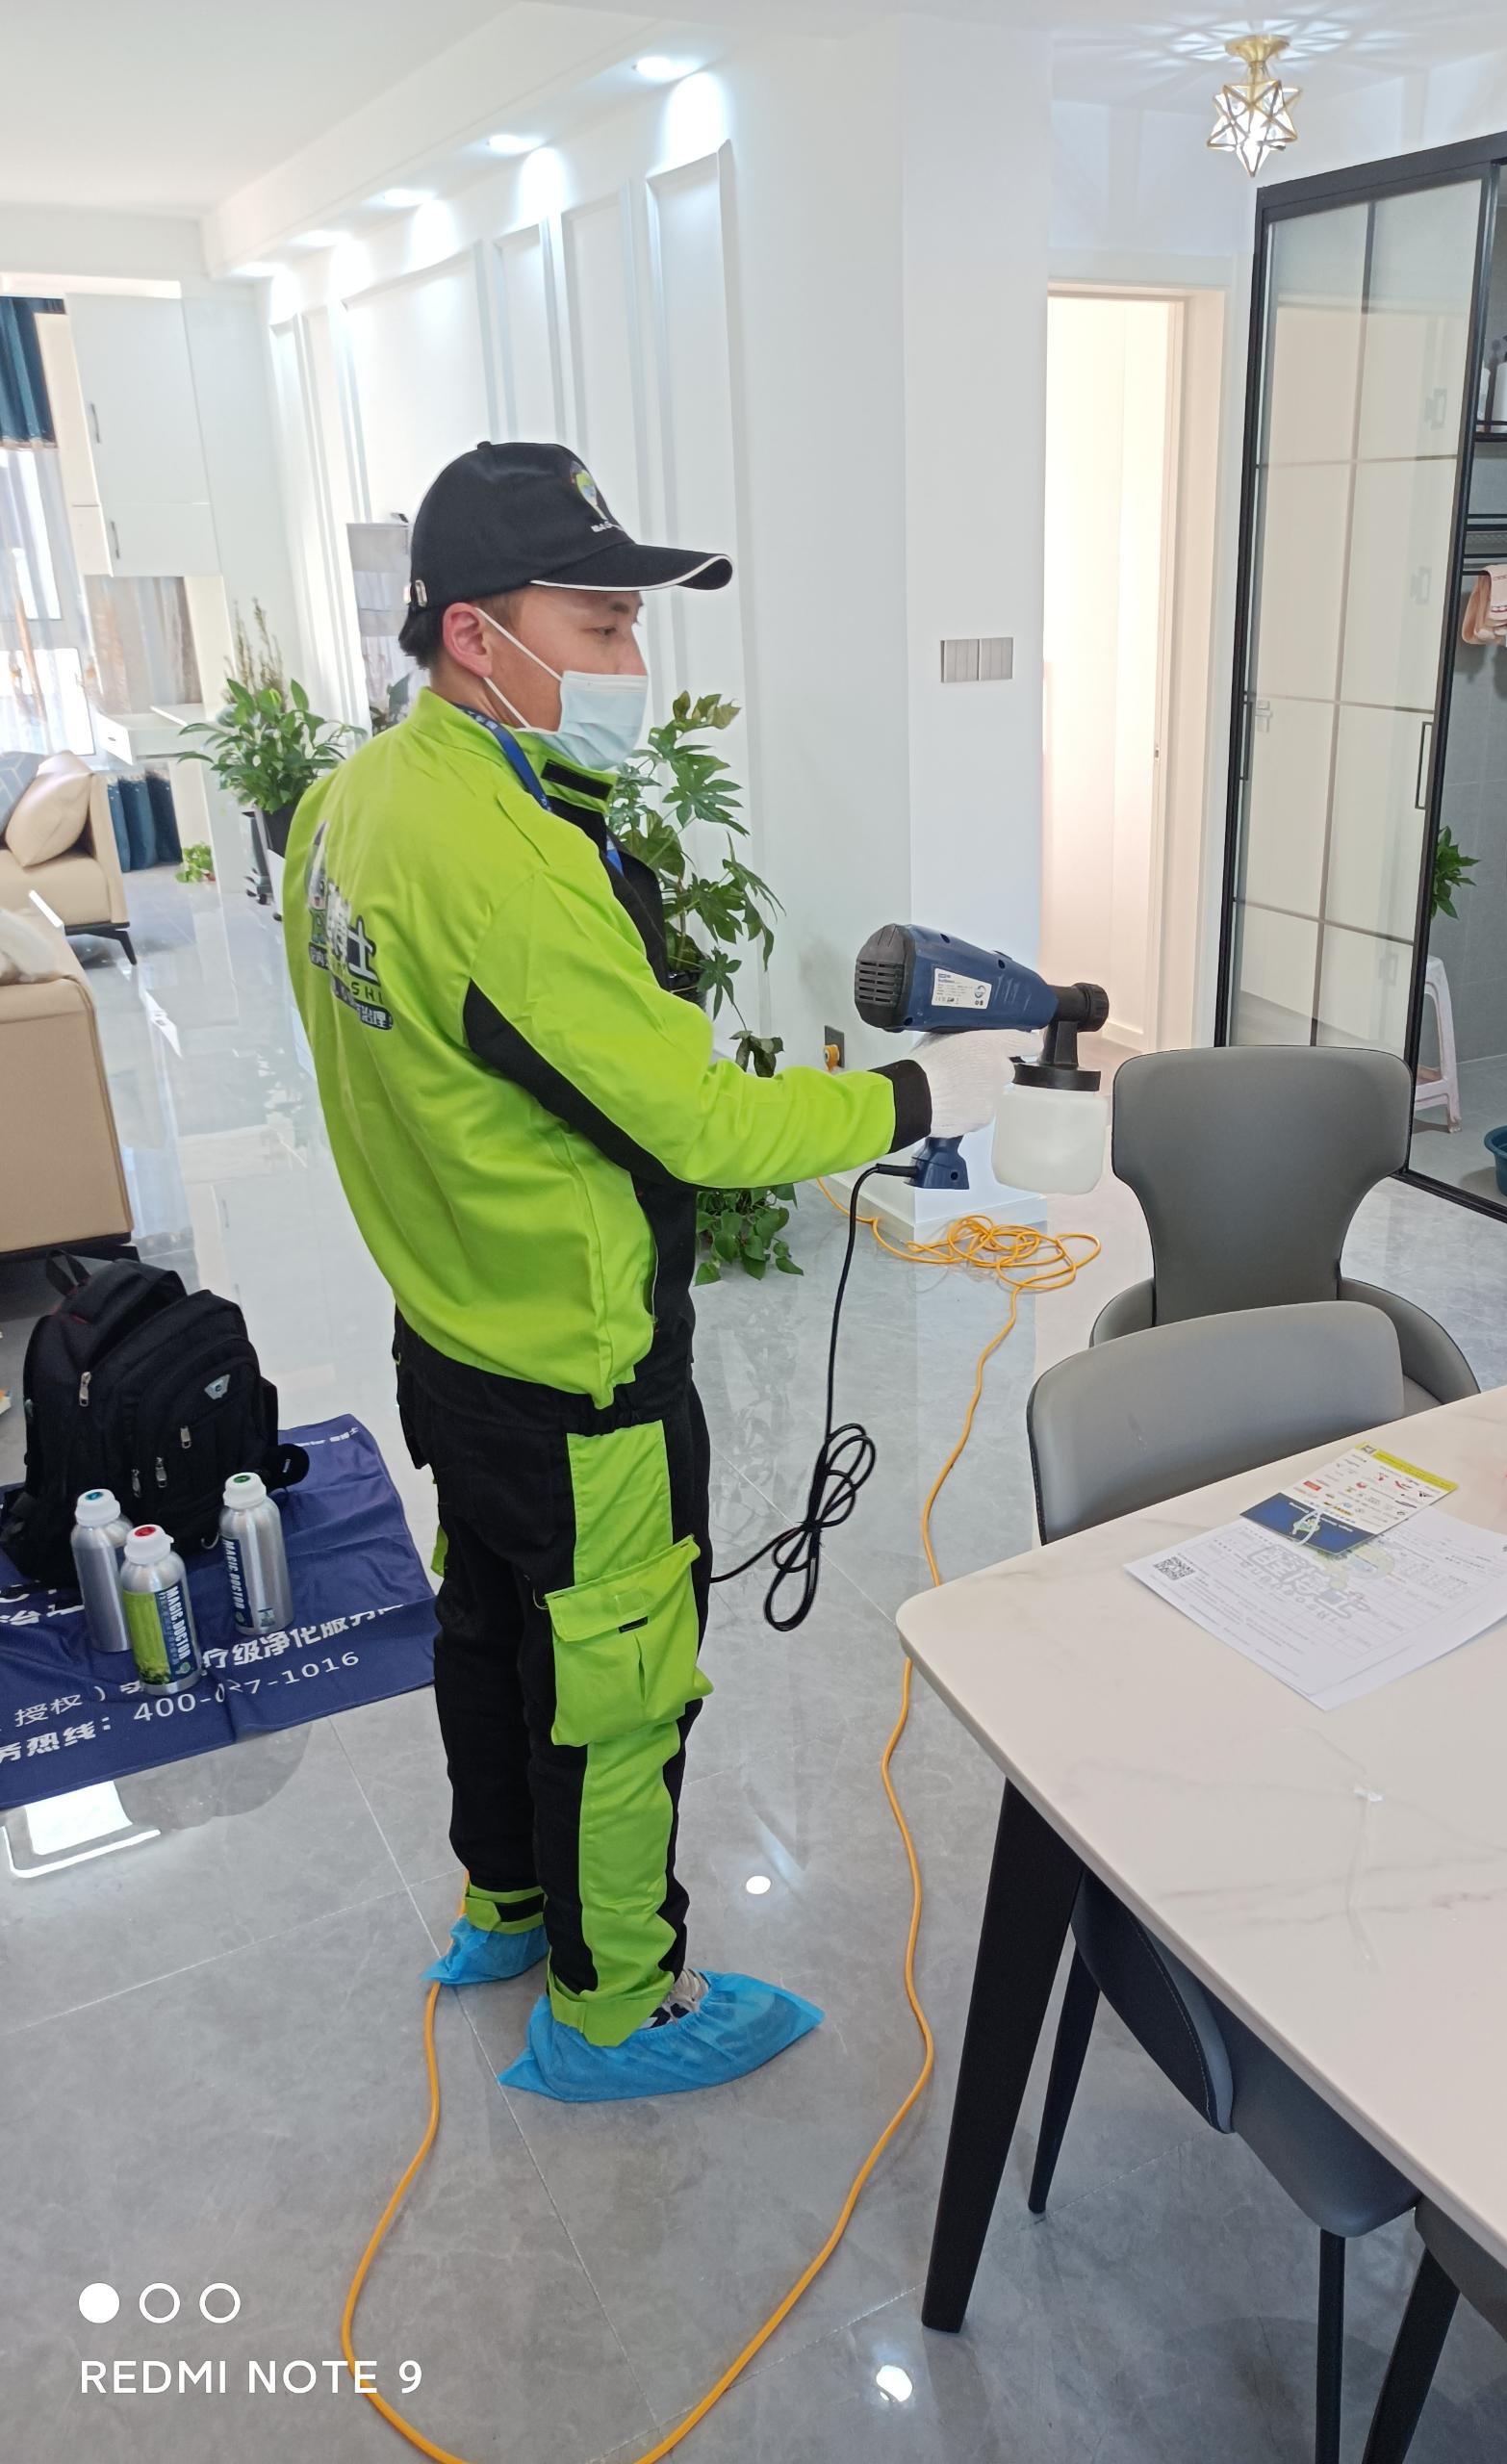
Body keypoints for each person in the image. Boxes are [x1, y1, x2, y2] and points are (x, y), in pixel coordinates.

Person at [283, 440, 930, 2100]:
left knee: (491, 1630)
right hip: (578, 1370)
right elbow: (699, 1123)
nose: (633, 664)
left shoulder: (352, 804)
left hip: (448, 1331)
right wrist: (909, 1102)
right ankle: (616, 2006)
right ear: (474, 635)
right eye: (603, 627)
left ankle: (505, 1907)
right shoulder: (503, 867)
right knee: (621, 1684)